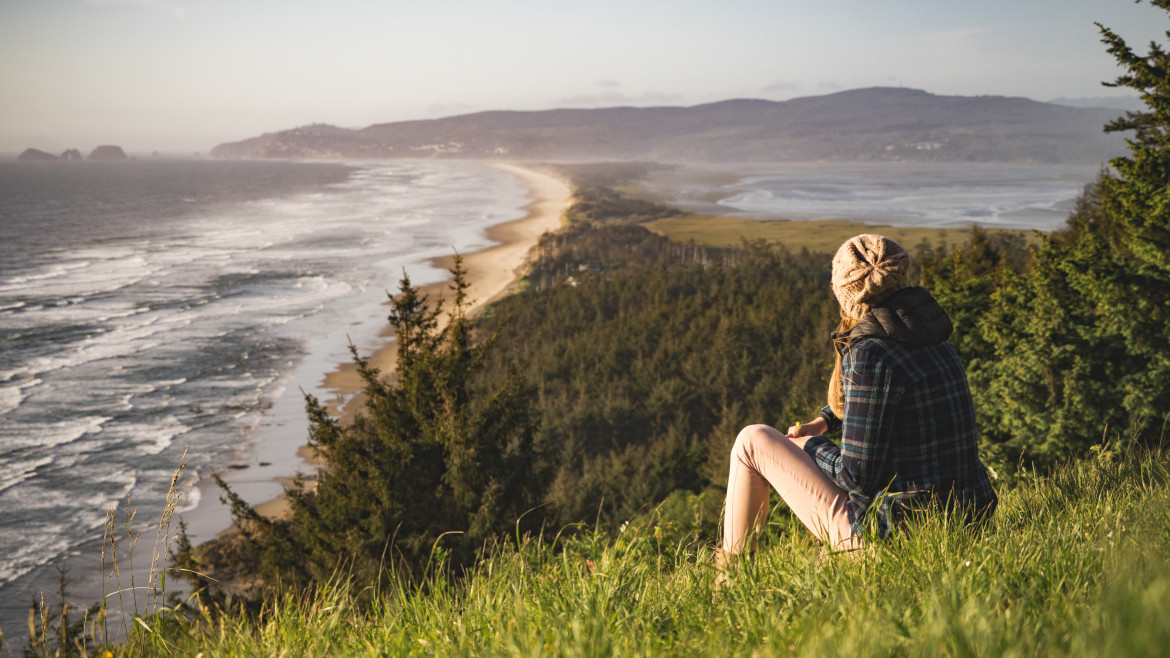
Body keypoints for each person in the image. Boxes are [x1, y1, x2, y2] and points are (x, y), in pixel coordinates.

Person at [719, 234, 998, 565]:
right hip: (969, 522)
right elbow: (882, 403)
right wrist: (824, 421)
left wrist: (808, 444)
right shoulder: (930, 334)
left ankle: (732, 578)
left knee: (753, 440)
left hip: (904, 536)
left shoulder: (871, 354)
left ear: (846, 292)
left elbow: (856, 477)